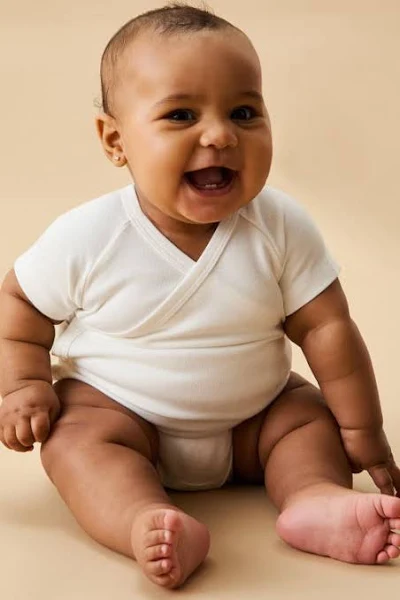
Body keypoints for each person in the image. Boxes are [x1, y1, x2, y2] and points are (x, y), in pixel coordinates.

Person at [0, 3, 400, 590]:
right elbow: (20, 305)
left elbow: (327, 328)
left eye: (244, 112)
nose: (220, 135)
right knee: (72, 440)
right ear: (116, 139)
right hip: (124, 417)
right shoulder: (88, 236)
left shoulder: (280, 226)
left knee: (306, 418)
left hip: (255, 421)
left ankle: (314, 497)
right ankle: (143, 520)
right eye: (181, 114)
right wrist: (23, 385)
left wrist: (362, 430)